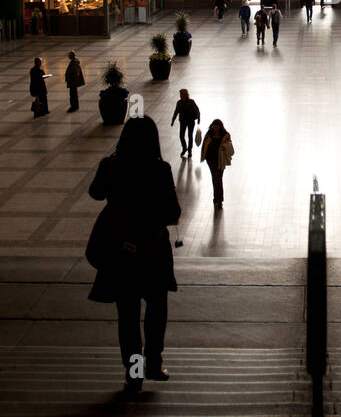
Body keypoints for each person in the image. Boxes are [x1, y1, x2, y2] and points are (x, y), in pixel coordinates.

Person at [86, 117, 180, 390]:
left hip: (120, 251)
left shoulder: (111, 165)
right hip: (152, 249)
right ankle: (153, 363)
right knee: (156, 308)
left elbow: (95, 193)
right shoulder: (160, 169)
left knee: (127, 315)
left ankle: (134, 373)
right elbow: (172, 213)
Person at [200, 118, 234, 208]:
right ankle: (218, 199)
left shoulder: (225, 136)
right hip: (211, 160)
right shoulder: (208, 135)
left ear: (220, 127)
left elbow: (229, 145)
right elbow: (204, 146)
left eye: (217, 127)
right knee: (216, 178)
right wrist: (203, 156)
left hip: (220, 160)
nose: (215, 128)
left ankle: (217, 199)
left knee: (218, 178)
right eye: (214, 127)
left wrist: (224, 147)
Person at [171, 88, 200, 158]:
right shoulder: (179, 102)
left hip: (190, 121)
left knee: (190, 136)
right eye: (180, 94)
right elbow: (176, 112)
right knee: (181, 136)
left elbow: (197, 110)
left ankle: (189, 150)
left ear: (186, 95)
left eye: (182, 94)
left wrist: (199, 119)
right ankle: (184, 148)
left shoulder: (191, 102)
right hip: (183, 121)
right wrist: (173, 120)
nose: (180, 96)